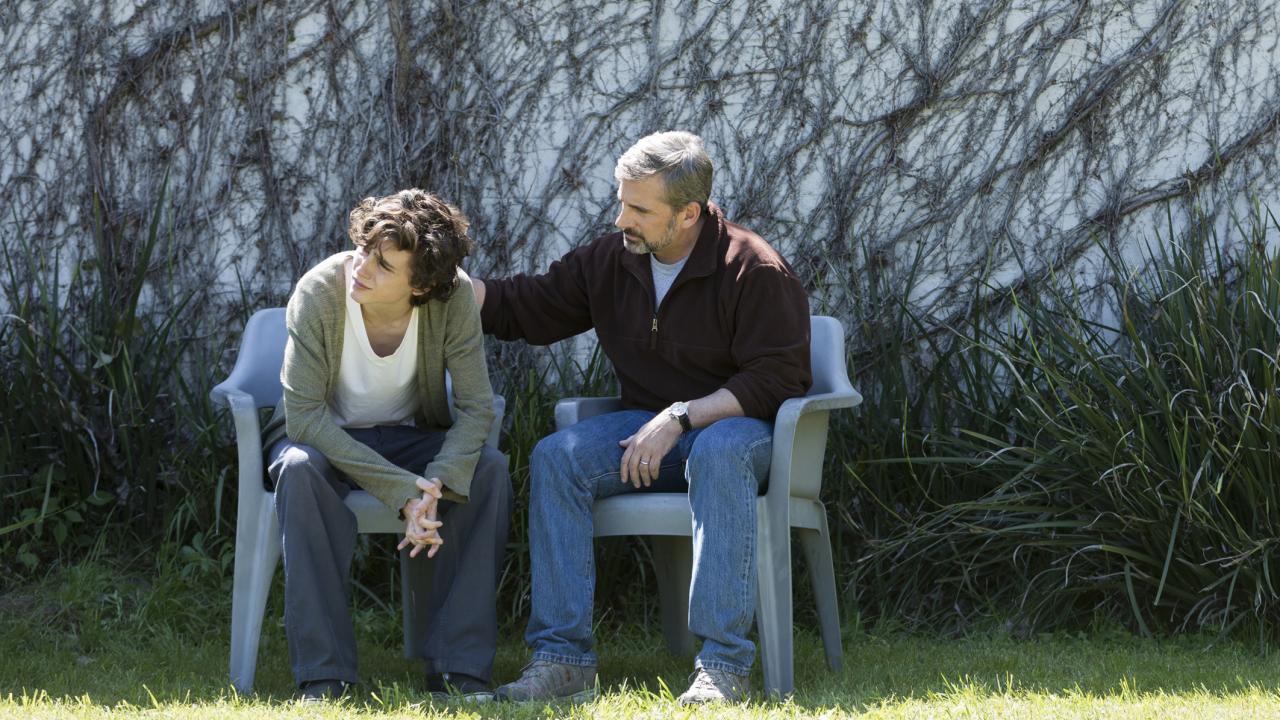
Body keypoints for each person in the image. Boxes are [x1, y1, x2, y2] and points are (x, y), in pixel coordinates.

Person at [473, 131, 811, 704]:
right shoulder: (613, 260)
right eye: (621, 200)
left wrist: (680, 416)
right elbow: (529, 306)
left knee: (720, 448)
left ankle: (724, 667)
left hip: (742, 435)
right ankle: (563, 662)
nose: (621, 217)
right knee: (557, 458)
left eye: (638, 208)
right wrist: (449, 288)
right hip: (648, 432)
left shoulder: (753, 269)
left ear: (688, 214)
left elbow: (778, 380)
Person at [260, 189, 511, 703]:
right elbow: (304, 417)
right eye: (362, 250)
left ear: (420, 286)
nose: (361, 268)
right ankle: (324, 678)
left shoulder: (454, 297)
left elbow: (477, 407)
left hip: (409, 439)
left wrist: (436, 481)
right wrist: (402, 490)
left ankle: (459, 671)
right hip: (321, 440)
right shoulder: (319, 291)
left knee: (487, 469)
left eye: (382, 264)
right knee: (299, 471)